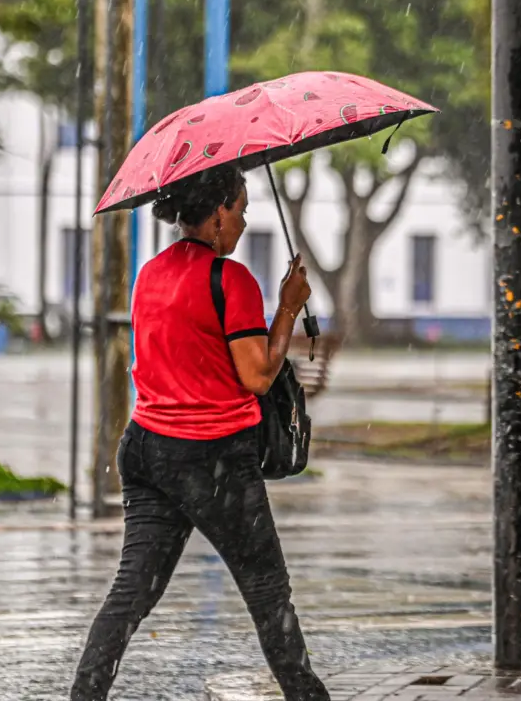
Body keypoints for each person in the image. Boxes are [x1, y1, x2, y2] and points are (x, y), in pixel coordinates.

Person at [70, 165, 329, 701]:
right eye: (241, 209)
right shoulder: (230, 281)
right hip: (212, 457)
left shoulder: (150, 275)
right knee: (267, 591)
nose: (243, 219)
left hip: (145, 448)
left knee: (132, 591)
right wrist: (287, 308)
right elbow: (258, 375)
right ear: (217, 214)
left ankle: (85, 695)